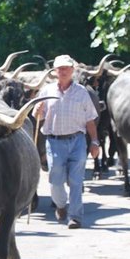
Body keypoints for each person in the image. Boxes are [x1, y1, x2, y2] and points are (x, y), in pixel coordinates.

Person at [35, 55, 101, 229]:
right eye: (60, 68)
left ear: (72, 70)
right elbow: (38, 117)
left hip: (77, 141)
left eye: (66, 68)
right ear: (55, 71)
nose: (63, 71)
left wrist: (95, 142)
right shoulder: (47, 91)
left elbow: (90, 119)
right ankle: (61, 205)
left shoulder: (82, 92)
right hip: (54, 142)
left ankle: (75, 217)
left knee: (76, 181)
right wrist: (37, 111)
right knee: (55, 180)